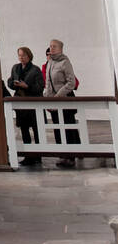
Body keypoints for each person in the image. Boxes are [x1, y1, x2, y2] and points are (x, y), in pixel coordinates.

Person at [44, 38, 80, 166]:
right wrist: (46, 96)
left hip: (65, 99)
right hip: (53, 101)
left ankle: (71, 156)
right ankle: (62, 154)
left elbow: (71, 82)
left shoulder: (65, 62)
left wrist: (59, 95)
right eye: (50, 46)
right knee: (58, 128)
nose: (51, 48)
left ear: (60, 49)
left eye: (54, 46)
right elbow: (48, 82)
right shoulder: (50, 63)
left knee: (68, 128)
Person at [6, 45, 45, 164]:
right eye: (19, 55)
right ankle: (28, 155)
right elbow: (9, 81)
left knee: (36, 129)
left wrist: (27, 86)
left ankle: (38, 155)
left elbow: (40, 87)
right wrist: (14, 84)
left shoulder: (35, 69)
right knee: (24, 129)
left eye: (23, 55)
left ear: (29, 56)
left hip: (33, 104)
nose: (21, 58)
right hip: (21, 104)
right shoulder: (15, 68)